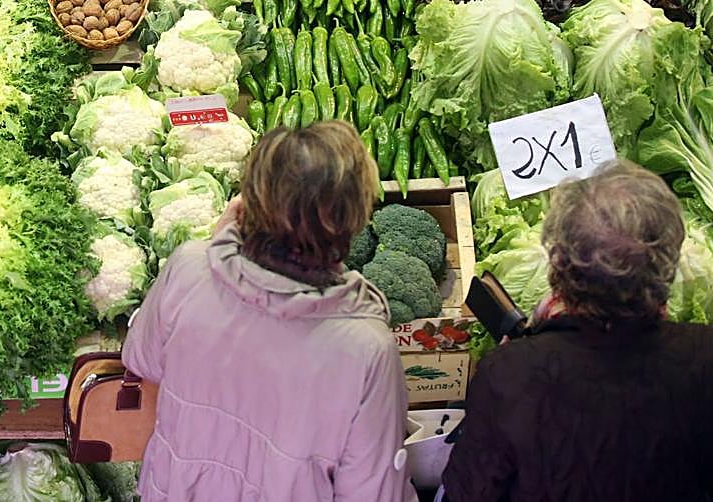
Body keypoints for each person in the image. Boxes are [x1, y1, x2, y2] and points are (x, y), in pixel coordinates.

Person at [122, 122, 416, 502]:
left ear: (247, 200)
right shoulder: (366, 347)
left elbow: (140, 358)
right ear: (354, 218)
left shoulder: (189, 267)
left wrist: (217, 246)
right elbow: (372, 492)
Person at [443, 159, 713, 502]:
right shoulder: (705, 358)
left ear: (557, 261)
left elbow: (469, 491)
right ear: (669, 260)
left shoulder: (511, 373)